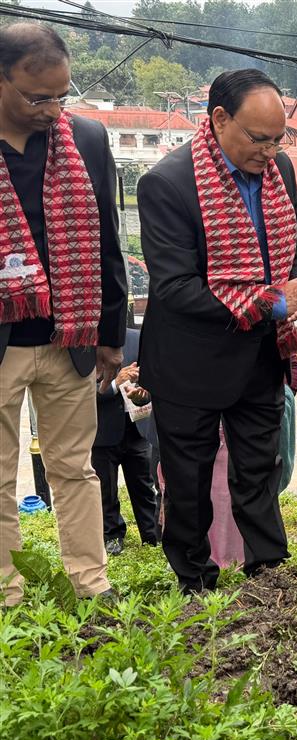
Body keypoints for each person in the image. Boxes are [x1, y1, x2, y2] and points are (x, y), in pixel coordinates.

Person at [137, 68, 297, 593]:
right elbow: (176, 287)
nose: (269, 152)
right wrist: (275, 302)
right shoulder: (167, 182)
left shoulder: (281, 170)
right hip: (190, 363)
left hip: (260, 355)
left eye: (278, 139)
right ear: (219, 118)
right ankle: (194, 580)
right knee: (189, 481)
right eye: (258, 139)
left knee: (259, 471)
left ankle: (269, 577)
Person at [0, 24, 127, 607]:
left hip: (67, 335)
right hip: (2, 343)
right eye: (36, 98)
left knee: (75, 470)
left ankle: (91, 584)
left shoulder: (88, 140)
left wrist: (110, 335)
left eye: (60, 97)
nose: (52, 110)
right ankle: (8, 594)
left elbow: (107, 241)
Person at [92, 328, 158, 557]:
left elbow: (153, 377)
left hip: (137, 428)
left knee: (144, 486)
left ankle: (151, 536)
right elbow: (80, 394)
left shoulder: (138, 338)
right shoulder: (86, 344)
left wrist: (141, 388)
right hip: (102, 432)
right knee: (106, 490)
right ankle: (112, 536)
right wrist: (114, 383)